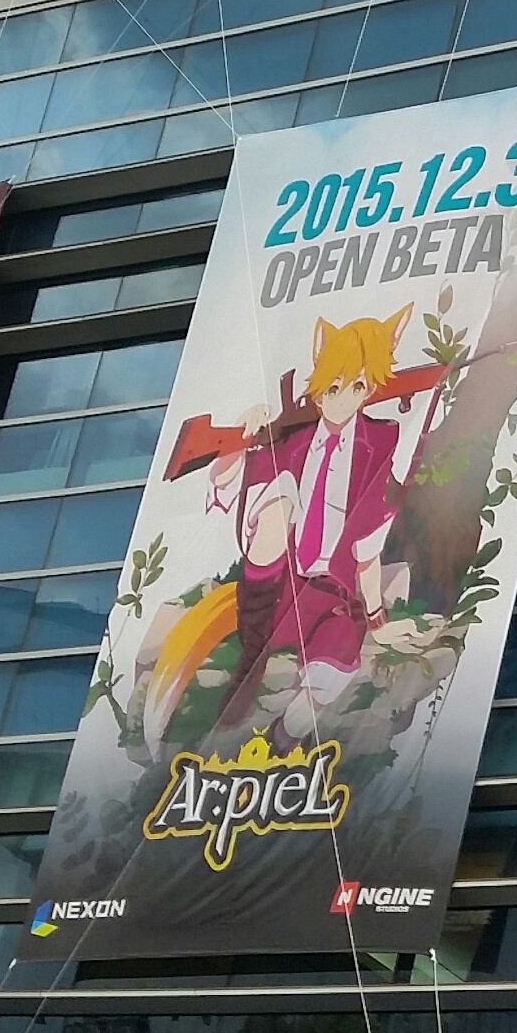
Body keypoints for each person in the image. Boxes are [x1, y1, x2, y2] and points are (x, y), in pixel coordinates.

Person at [206, 307, 429, 739]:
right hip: (277, 588)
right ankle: (253, 654)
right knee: (280, 502)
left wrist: (378, 620)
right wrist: (240, 437)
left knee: (327, 676)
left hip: (333, 596)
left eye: (358, 386)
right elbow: (226, 481)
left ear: (370, 390)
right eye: (334, 386)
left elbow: (369, 543)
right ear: (319, 387)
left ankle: (284, 738)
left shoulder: (380, 441)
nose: (343, 398)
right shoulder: (291, 440)